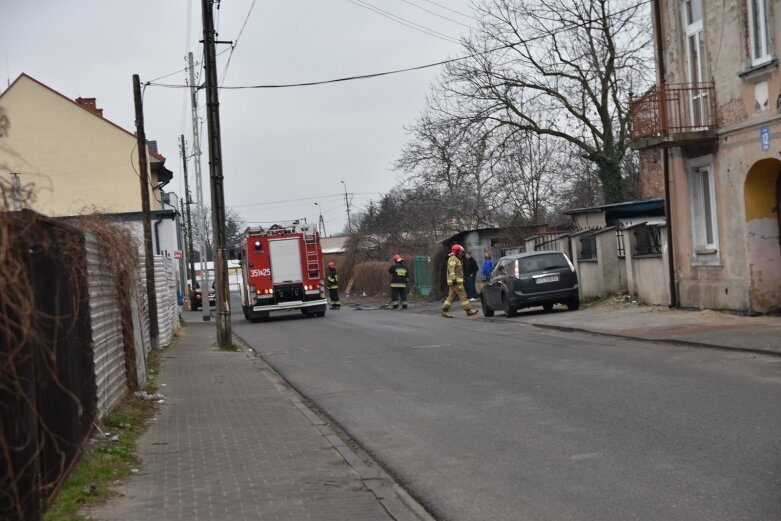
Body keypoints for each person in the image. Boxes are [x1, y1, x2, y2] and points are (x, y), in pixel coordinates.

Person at [441, 244, 479, 318]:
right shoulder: (453, 258)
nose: (461, 253)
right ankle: (468, 310)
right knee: (463, 295)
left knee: (451, 296)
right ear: (457, 251)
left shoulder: (455, 258)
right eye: (460, 251)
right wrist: (454, 278)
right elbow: (451, 269)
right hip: (455, 281)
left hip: (454, 281)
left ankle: (445, 310)